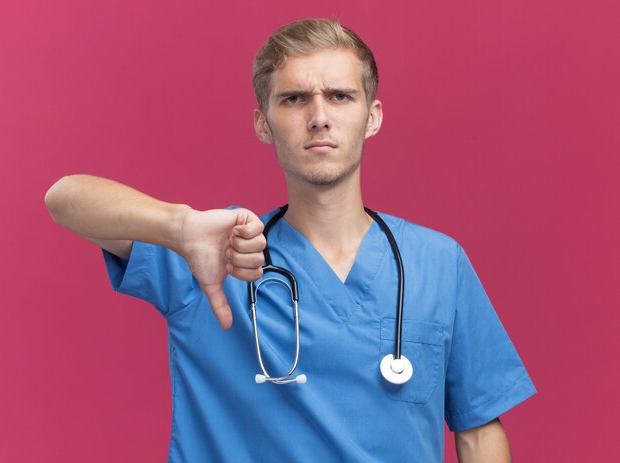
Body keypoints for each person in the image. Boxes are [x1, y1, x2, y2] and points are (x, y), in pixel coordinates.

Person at [45, 18, 535, 463]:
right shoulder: (218, 253)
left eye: (340, 96)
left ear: (373, 116)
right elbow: (65, 199)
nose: (319, 117)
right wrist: (178, 226)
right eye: (294, 98)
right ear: (263, 123)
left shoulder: (438, 263)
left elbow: (478, 430)